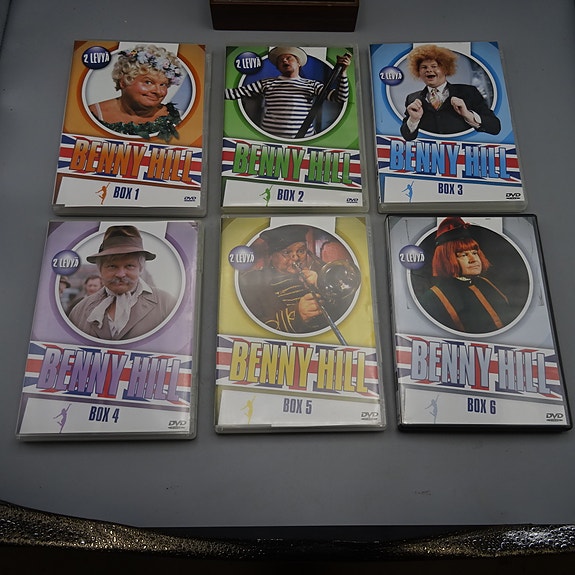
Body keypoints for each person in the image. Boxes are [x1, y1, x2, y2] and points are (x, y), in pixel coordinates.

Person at [238, 225, 357, 334]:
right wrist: (297, 314)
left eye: (301, 251)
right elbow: (250, 327)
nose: (295, 258)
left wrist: (321, 285)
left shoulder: (317, 273)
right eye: (286, 252)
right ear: (271, 255)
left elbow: (345, 311)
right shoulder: (250, 281)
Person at [69, 225, 176, 340]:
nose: (120, 274)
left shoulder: (166, 304)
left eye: (129, 266)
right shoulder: (80, 310)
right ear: (100, 270)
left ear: (140, 268)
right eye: (112, 266)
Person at [225, 46, 351, 139]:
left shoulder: (312, 85)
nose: (285, 61)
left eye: (289, 58)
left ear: (298, 63)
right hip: (269, 139)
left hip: (304, 140)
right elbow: (234, 93)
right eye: (281, 60)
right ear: (278, 67)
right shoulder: (266, 83)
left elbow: (340, 98)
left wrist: (343, 73)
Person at [418, 217, 513, 333]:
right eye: (463, 255)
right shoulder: (432, 299)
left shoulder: (486, 283)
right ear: (447, 260)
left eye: (474, 253)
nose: (473, 259)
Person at [400, 44, 501, 141]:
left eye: (434, 66)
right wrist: (413, 119)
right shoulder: (412, 99)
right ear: (418, 72)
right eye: (424, 67)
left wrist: (468, 115)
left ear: (445, 68)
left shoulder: (469, 92)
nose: (429, 70)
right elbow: (407, 136)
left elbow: (495, 127)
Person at [88, 44, 185, 142]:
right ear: (124, 82)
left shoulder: (178, 118)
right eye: (148, 82)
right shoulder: (92, 114)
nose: (158, 91)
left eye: (163, 85)